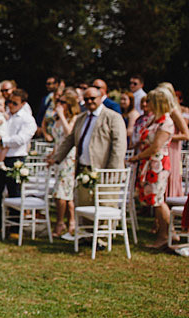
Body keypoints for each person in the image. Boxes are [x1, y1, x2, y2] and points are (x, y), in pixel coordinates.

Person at [51, 85, 127, 210]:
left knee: (105, 208)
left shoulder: (112, 117)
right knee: (85, 207)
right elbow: (70, 140)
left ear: (100, 98)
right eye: (86, 99)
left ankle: (105, 229)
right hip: (84, 170)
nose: (89, 102)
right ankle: (86, 230)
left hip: (104, 170)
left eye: (92, 98)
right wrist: (56, 158)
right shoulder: (82, 118)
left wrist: (111, 171)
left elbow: (119, 147)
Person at [0, 89, 37, 234]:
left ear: (23, 104)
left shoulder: (27, 119)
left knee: (14, 193)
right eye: (9, 102)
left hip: (15, 159)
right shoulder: (3, 114)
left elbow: (22, 138)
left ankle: (15, 227)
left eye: (14, 103)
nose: (11, 105)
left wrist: (2, 141)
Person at [130, 88, 176, 248]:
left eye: (150, 101)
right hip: (149, 164)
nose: (147, 103)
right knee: (154, 199)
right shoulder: (155, 119)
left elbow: (156, 146)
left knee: (158, 200)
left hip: (158, 165)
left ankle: (165, 235)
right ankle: (168, 233)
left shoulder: (166, 122)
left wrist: (136, 157)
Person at [46, 89, 80, 238]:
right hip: (59, 157)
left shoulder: (74, 118)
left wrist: (61, 115)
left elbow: (69, 135)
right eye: (58, 102)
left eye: (62, 103)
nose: (59, 105)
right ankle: (71, 221)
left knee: (61, 192)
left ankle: (61, 222)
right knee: (65, 193)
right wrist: (52, 154)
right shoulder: (58, 118)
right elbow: (57, 140)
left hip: (69, 158)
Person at [157, 82, 188, 200]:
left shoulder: (174, 111)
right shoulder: (163, 110)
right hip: (164, 147)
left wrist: (166, 136)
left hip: (172, 149)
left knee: (170, 176)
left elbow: (186, 135)